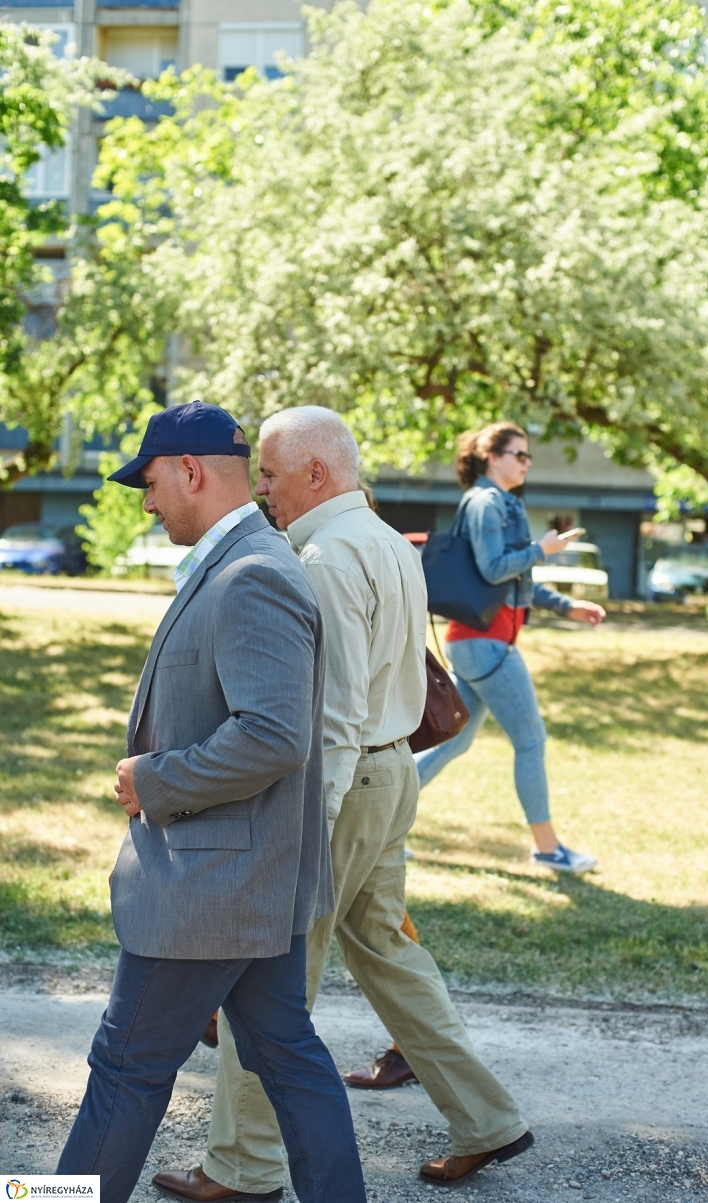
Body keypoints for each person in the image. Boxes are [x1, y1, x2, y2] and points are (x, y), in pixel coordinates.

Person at [152, 406, 533, 1198]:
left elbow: (333, 711)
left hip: (342, 787)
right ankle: (488, 1118)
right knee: (389, 953)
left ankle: (243, 1167)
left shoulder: (323, 557)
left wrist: (305, 833)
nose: (261, 488)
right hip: (389, 776)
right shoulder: (386, 541)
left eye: (269, 473)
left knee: (270, 978)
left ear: (315, 473)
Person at [56, 401, 366, 1203]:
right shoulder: (244, 560)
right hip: (246, 883)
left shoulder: (252, 572)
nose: (147, 502)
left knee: (124, 1068)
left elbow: (273, 735)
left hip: (209, 892)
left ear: (190, 471)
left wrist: (153, 780)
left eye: (150, 483)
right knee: (289, 1058)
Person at [414, 421, 606, 873]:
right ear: (491, 457)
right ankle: (548, 848)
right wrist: (542, 549)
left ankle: (380, 826)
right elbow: (494, 568)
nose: (527, 463)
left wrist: (568, 606)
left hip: (479, 642)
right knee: (531, 740)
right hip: (486, 644)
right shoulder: (485, 503)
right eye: (519, 454)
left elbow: (515, 584)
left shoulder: (499, 502)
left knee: (452, 743)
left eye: (528, 456)